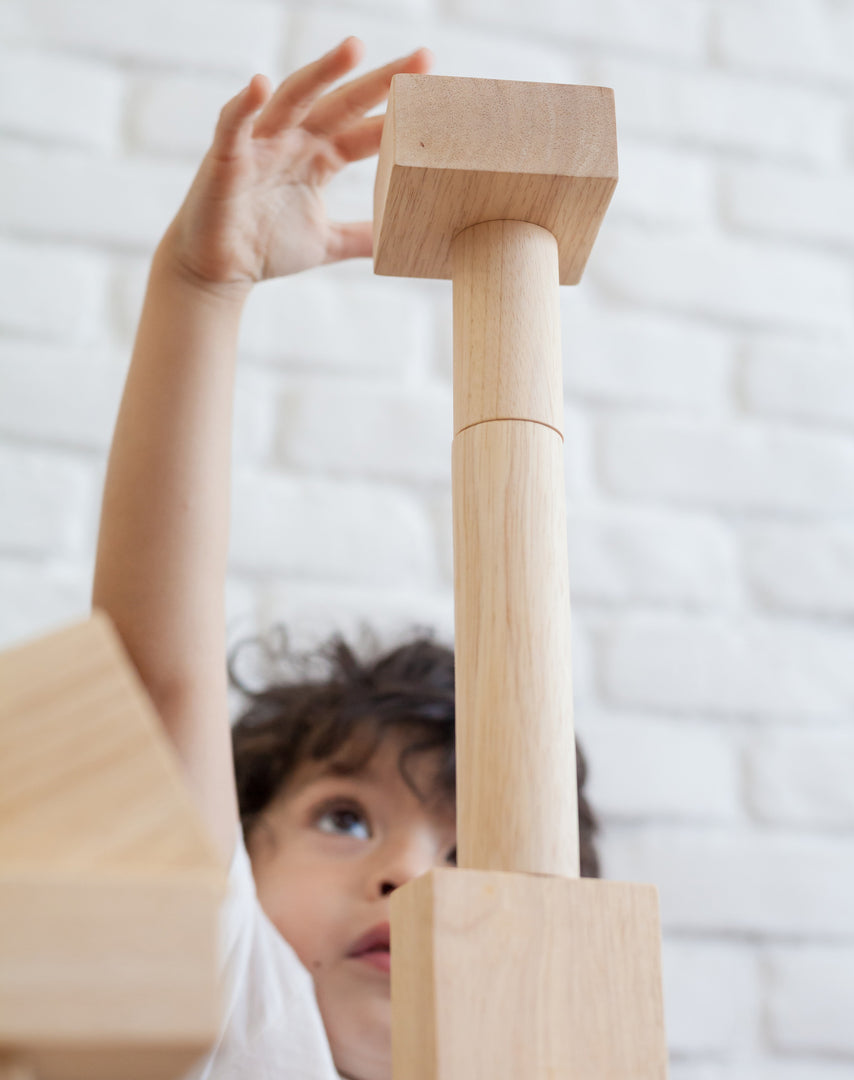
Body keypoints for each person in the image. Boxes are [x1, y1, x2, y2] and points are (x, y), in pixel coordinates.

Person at [90, 36, 602, 1080]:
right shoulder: (242, 1020)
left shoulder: (539, 1048)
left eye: (466, 854)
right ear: (241, 847)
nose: (408, 875)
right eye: (342, 816)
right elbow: (154, 687)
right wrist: (202, 286)